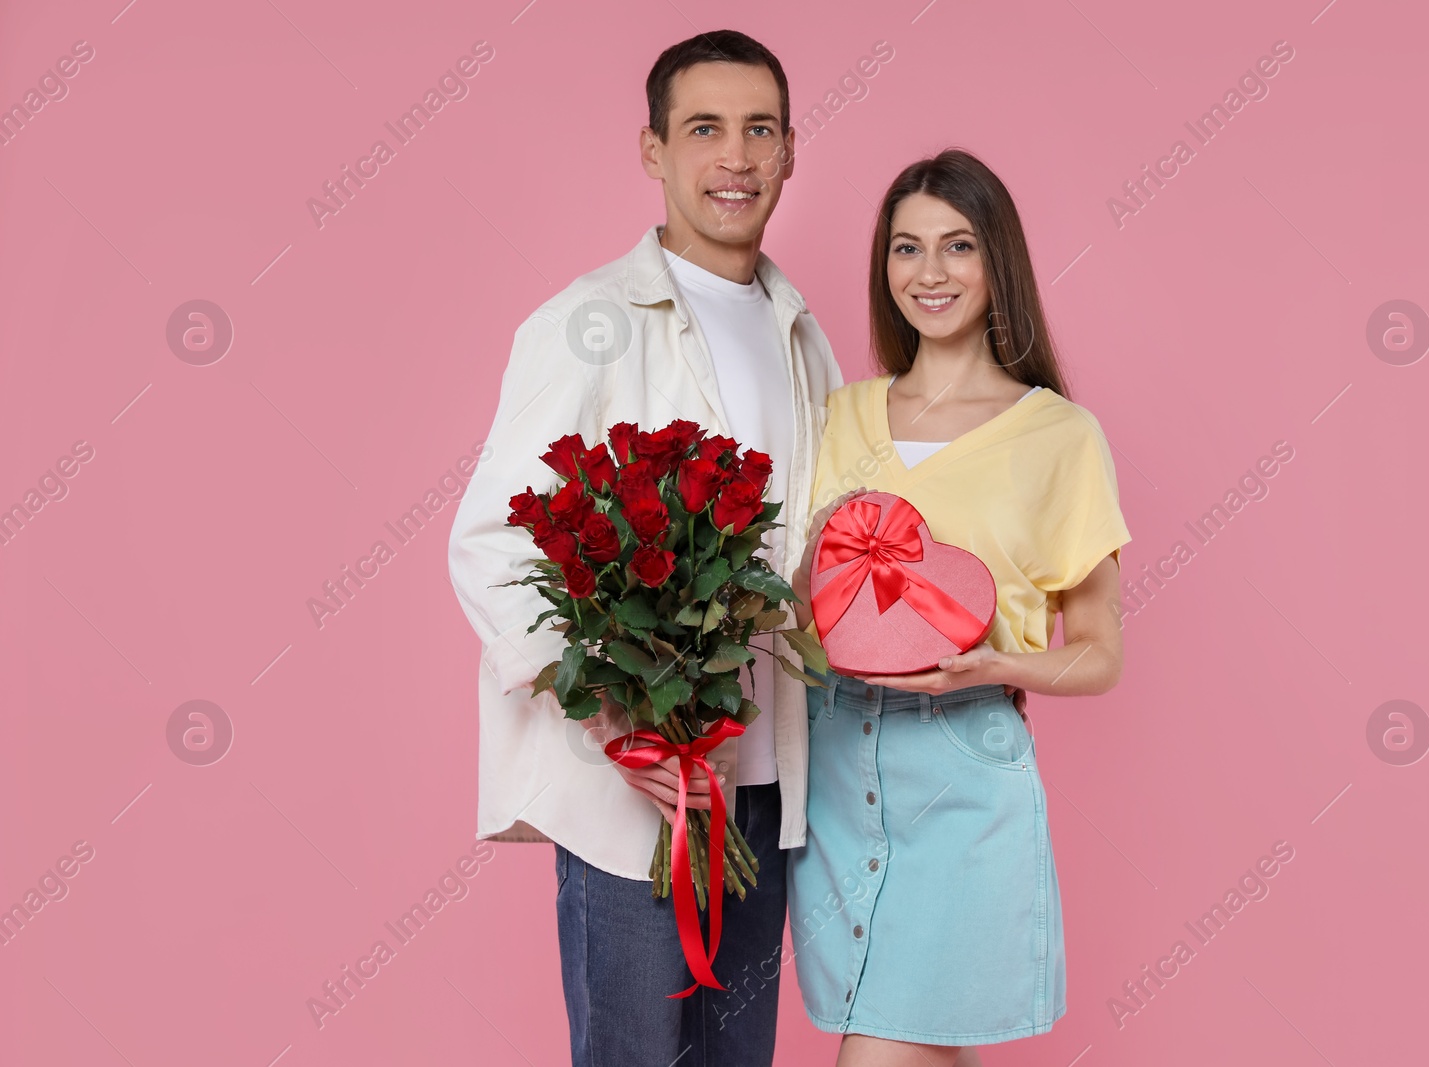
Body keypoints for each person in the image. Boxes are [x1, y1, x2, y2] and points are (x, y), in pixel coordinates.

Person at [446, 29, 842, 1066]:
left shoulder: (804, 331)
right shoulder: (586, 321)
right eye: (704, 128)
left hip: (760, 791)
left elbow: (819, 552)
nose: (736, 158)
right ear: (652, 150)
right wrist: (619, 710)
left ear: (792, 151)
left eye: (760, 130)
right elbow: (490, 537)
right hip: (632, 793)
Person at [786, 148, 1133, 1067]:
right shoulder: (836, 415)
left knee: (889, 1049)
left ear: (996, 264)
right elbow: (794, 601)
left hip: (964, 770)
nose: (929, 273)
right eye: (906, 248)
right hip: (834, 766)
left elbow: (1099, 650)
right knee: (935, 1049)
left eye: (957, 246)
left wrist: (998, 667)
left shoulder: (1058, 434)